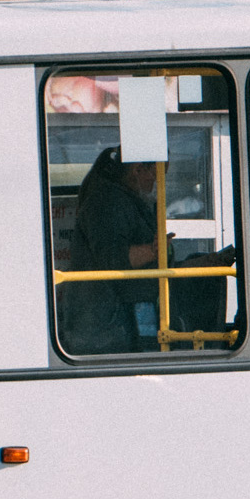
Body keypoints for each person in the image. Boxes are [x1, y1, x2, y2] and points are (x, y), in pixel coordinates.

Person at [60, 147, 158, 354]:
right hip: (104, 325)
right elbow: (112, 260)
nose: (157, 184)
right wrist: (152, 250)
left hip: (117, 319)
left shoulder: (125, 200)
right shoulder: (107, 202)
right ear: (138, 170)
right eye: (157, 175)